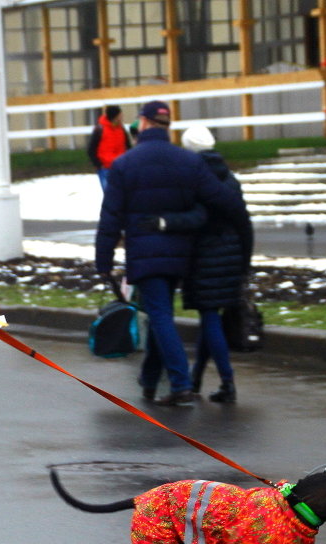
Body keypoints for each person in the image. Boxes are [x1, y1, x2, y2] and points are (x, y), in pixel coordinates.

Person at [94, 100, 251, 407]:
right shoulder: (187, 162)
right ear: (167, 125)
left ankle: (180, 382)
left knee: (160, 315)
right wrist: (242, 234)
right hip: (181, 254)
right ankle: (150, 381)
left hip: (144, 252)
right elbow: (223, 201)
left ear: (143, 122)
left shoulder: (126, 164)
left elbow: (110, 216)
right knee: (159, 312)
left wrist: (103, 260)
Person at [152, 124, 253, 404]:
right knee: (212, 319)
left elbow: (193, 220)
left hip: (204, 256)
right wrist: (245, 260)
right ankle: (197, 378)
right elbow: (244, 223)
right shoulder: (231, 179)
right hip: (231, 255)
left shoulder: (193, 179)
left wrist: (166, 225)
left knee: (209, 318)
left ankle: (227, 381)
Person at [86, 104, 131, 191]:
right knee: (110, 196)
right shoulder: (100, 130)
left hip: (121, 168)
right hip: (105, 169)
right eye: (120, 115)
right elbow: (91, 149)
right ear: (115, 117)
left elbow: (128, 147)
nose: (122, 118)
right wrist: (99, 165)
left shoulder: (122, 129)